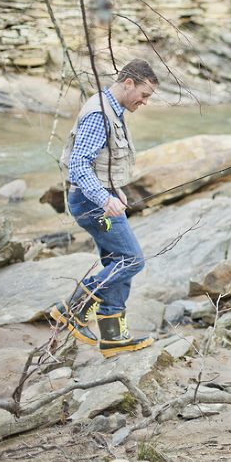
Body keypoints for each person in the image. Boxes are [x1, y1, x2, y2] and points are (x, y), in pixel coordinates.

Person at [51, 59, 158, 358]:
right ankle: (72, 309)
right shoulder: (100, 113)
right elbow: (78, 164)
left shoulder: (113, 108)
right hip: (91, 202)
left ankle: (112, 336)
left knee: (118, 260)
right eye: (144, 94)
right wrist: (104, 198)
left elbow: (101, 159)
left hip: (97, 197)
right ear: (128, 83)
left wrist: (115, 189)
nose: (145, 102)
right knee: (132, 260)